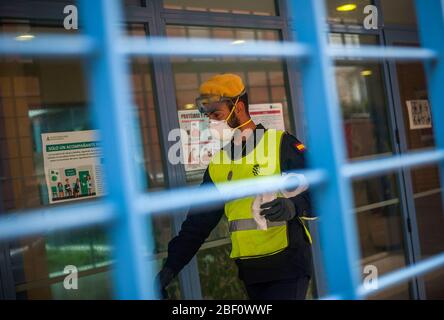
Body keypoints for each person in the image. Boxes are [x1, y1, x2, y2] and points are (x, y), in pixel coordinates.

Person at [156, 74, 313, 300]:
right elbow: (197, 224)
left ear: (238, 108)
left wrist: (293, 206)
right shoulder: (218, 164)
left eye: (216, 114)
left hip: (288, 265)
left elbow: (321, 191)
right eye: (208, 116)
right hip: (251, 272)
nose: (211, 122)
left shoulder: (280, 144)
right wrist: (169, 269)